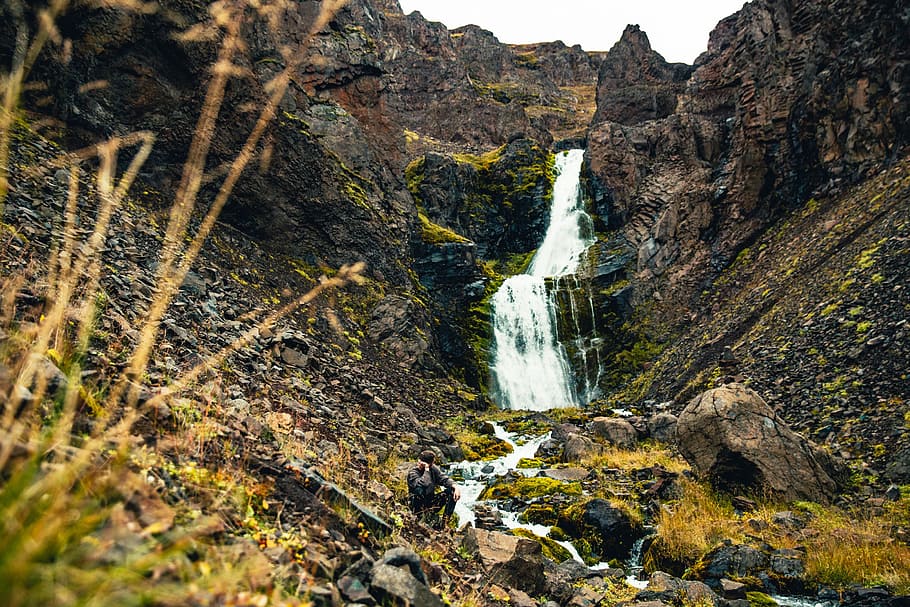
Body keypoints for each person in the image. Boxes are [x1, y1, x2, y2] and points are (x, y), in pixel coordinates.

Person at [407, 450, 460, 528]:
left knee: (451, 491)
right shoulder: (413, 472)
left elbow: (444, 479)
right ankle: (419, 518)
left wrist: (455, 486)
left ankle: (445, 523)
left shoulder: (433, 468)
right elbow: (424, 483)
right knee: (419, 489)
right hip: (417, 505)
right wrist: (427, 470)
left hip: (431, 502)